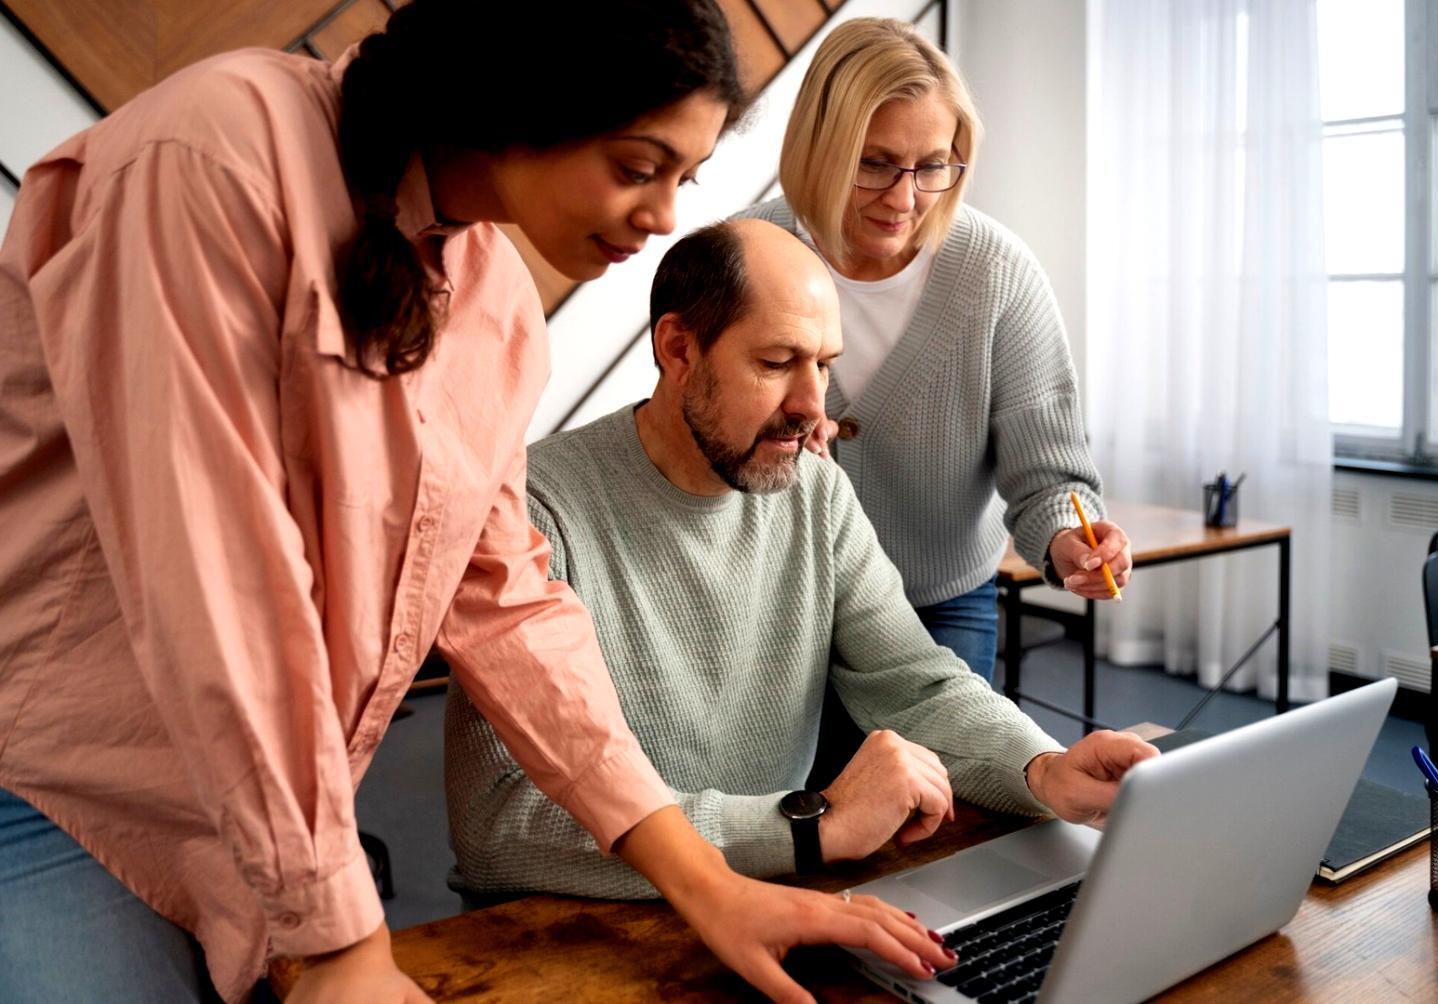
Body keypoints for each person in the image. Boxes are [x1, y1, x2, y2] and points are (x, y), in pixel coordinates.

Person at [0, 4, 951, 1002]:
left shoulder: (493, 300)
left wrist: (705, 879)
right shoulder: (209, 156)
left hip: (263, 815)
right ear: (519, 98)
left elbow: (506, 602)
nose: (665, 215)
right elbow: (216, 579)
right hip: (65, 786)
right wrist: (338, 943)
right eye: (638, 165)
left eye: (685, 178)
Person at [444, 218, 1158, 900]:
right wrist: (804, 825)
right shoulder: (536, 507)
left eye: (823, 365)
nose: (813, 407)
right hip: (574, 932)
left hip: (770, 896)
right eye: (777, 362)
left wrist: (1042, 769)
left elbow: (916, 685)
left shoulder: (814, 490)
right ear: (678, 350)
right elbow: (500, 823)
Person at [739, 18, 1133, 681]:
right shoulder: (742, 257)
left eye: (932, 168)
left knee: (951, 784)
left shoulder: (995, 273)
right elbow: (692, 446)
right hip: (769, 604)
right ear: (820, 147)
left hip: (938, 603)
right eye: (874, 164)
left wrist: (1072, 539)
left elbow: (1049, 475)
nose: (904, 198)